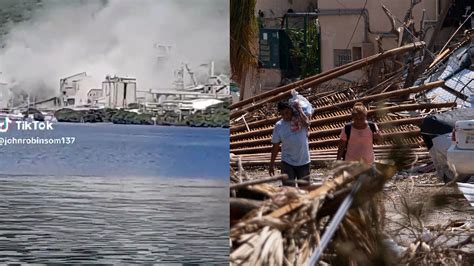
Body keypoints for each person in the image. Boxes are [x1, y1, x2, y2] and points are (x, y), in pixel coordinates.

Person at [269, 100, 310, 186]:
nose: (285, 116)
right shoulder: (279, 126)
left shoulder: (300, 121)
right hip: (287, 162)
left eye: (287, 112)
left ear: (291, 110)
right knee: (288, 191)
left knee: (304, 191)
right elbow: (275, 146)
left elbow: (307, 122)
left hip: (304, 162)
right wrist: (271, 164)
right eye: (282, 114)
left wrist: (299, 109)